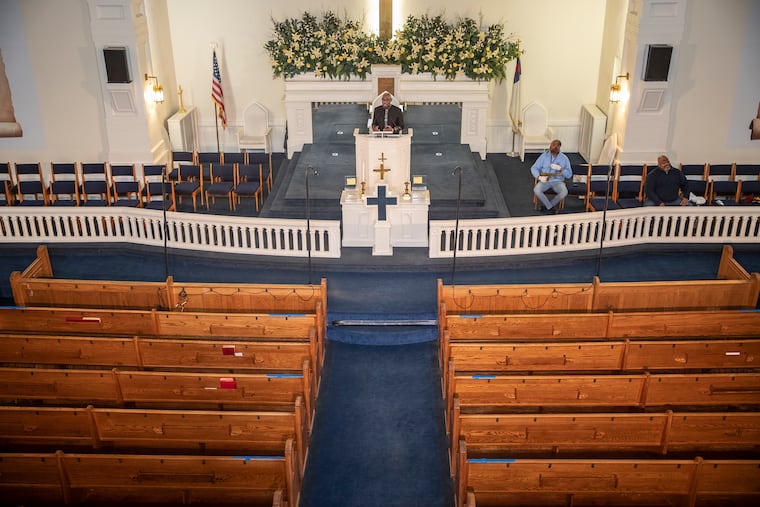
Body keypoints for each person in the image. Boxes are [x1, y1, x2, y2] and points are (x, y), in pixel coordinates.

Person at [530, 139, 572, 213]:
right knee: (536, 190)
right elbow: (534, 168)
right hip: (545, 180)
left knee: (564, 192)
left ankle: (549, 206)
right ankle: (550, 207)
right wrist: (539, 177)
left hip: (558, 181)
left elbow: (569, 174)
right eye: (552, 145)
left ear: (559, 148)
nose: (553, 148)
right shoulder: (543, 156)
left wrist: (561, 169)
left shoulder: (564, 158)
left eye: (555, 146)